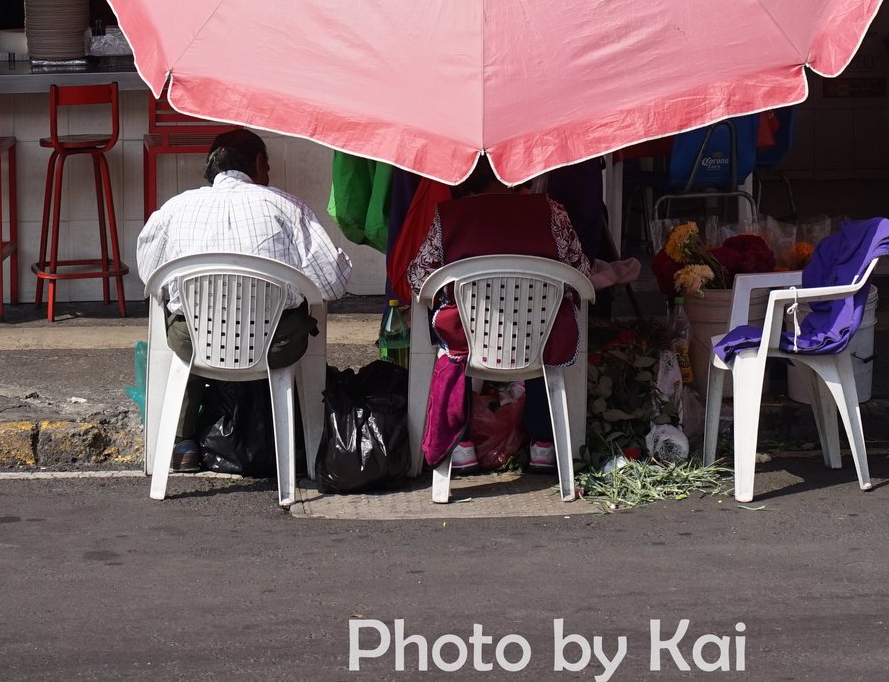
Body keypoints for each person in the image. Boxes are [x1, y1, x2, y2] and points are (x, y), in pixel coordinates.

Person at [135, 128, 355, 472]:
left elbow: (150, 279)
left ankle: (182, 443)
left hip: (196, 346)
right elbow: (334, 283)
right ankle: (301, 444)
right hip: (272, 347)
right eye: (266, 166)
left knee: (184, 318)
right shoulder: (287, 207)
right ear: (256, 163)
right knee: (296, 316)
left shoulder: (173, 210)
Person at [404, 163, 592, 477]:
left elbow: (418, 278)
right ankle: (544, 443)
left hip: (470, 341)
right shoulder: (552, 212)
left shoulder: (448, 216)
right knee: (537, 324)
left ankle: (461, 446)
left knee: (457, 325)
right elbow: (581, 273)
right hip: (540, 339)